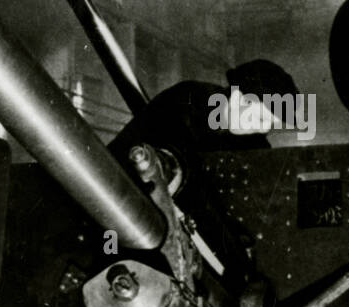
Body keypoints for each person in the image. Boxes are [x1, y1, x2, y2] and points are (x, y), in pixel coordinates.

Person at [107, 58, 301, 288]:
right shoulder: (186, 104)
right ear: (238, 97)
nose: (261, 129)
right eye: (260, 118)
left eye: (270, 125)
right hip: (122, 219)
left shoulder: (254, 147)